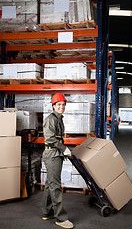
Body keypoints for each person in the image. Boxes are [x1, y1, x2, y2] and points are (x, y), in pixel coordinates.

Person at [42, 93, 74, 229]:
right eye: (58, 104)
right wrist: (64, 148)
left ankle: (46, 212)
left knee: (50, 184)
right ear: (53, 106)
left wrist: (63, 150)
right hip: (52, 155)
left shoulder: (59, 118)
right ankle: (61, 218)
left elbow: (58, 138)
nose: (61, 107)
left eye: (63, 104)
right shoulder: (51, 119)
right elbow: (50, 139)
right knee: (55, 186)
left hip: (56, 154)